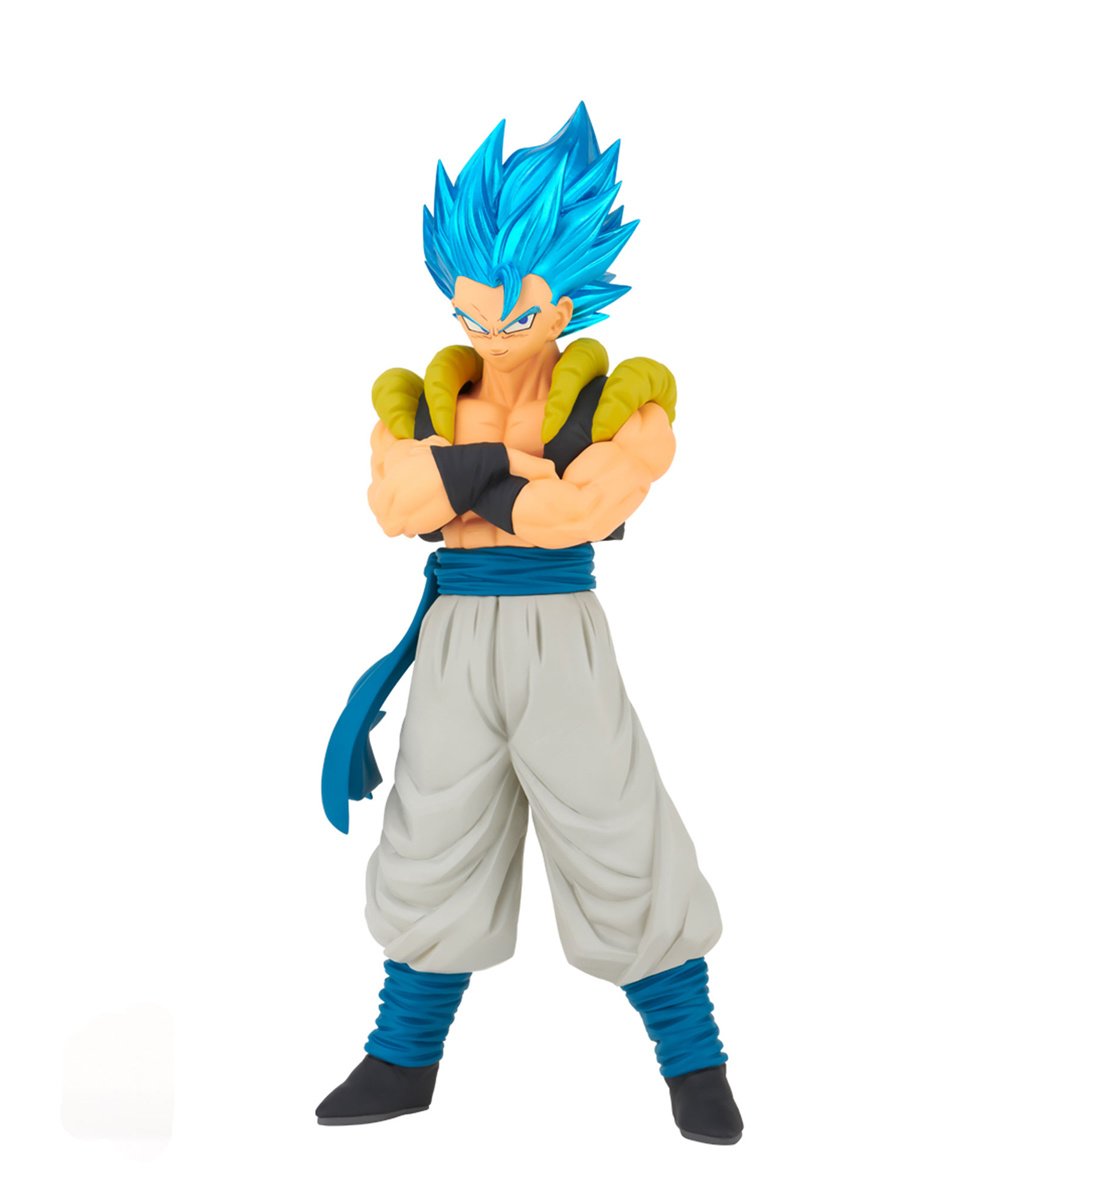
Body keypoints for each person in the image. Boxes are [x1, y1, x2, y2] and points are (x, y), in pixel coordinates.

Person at [316, 103, 743, 1144]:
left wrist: (462, 483)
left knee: (616, 830)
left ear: (568, 297)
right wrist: (504, 469)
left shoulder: (623, 398)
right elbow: (392, 506)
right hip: (455, 638)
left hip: (560, 636)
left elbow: (580, 515)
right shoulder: (419, 398)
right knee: (432, 834)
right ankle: (402, 1057)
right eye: (473, 306)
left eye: (518, 310)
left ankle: (694, 1061)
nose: (492, 329)